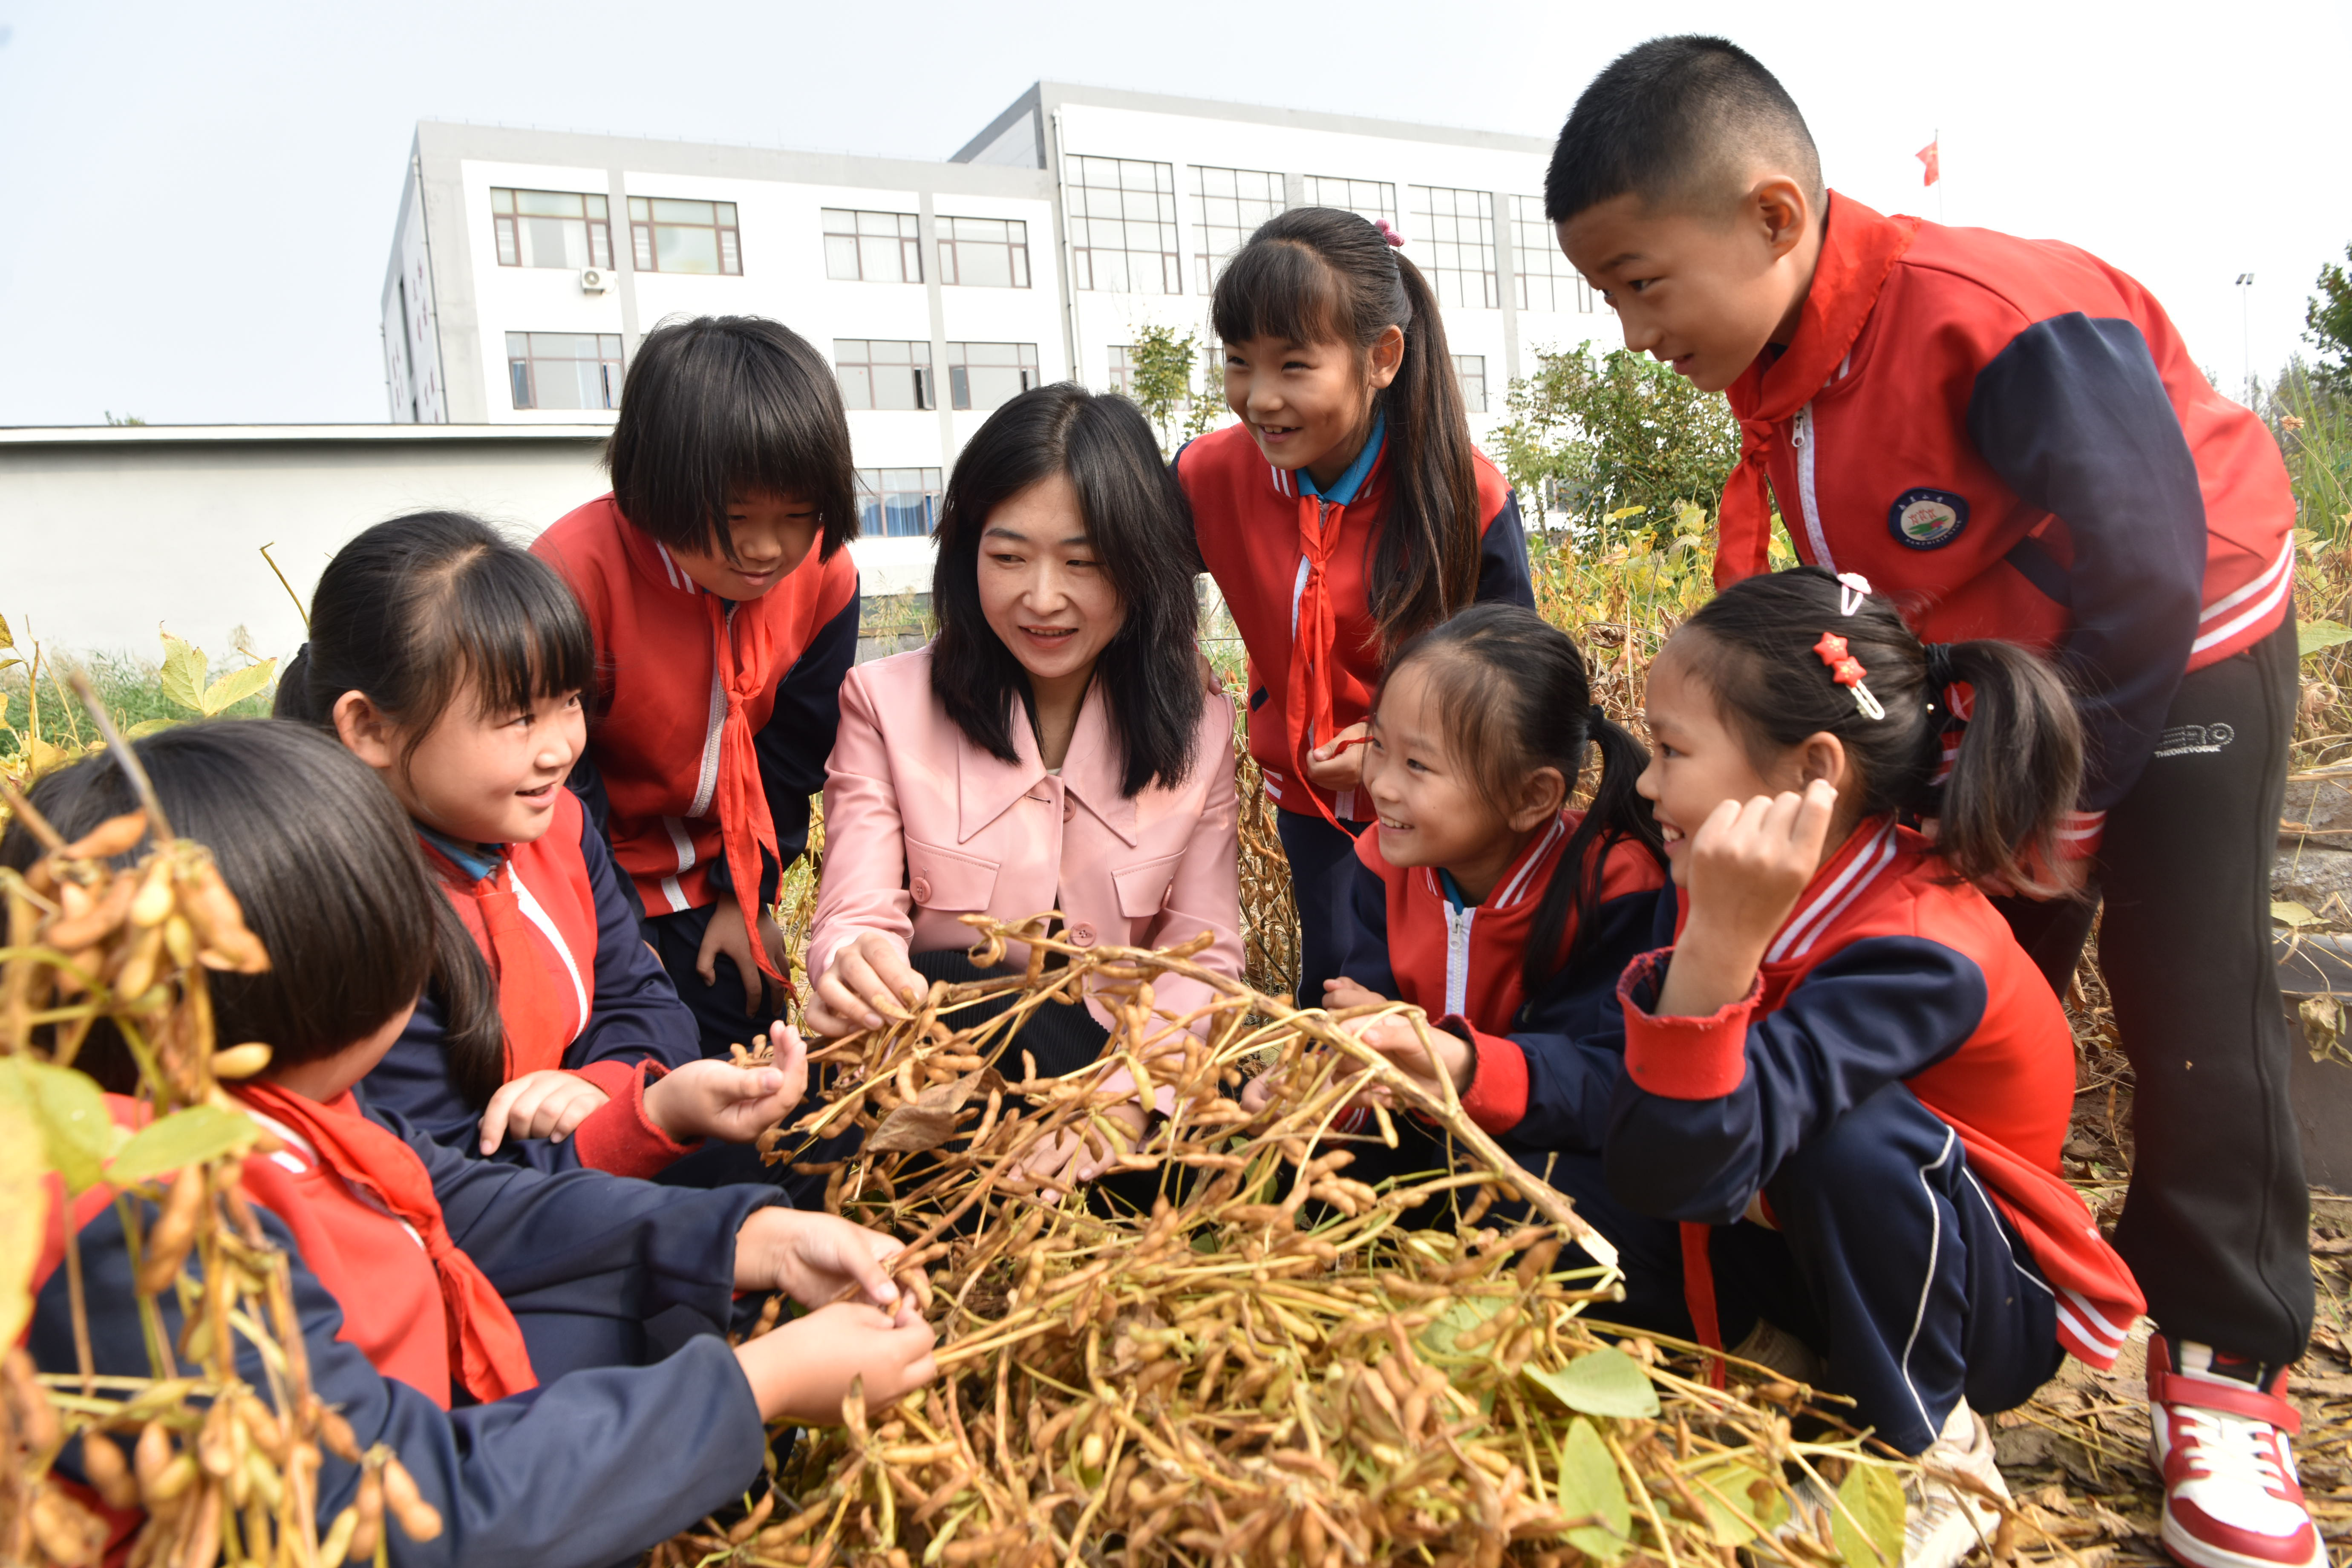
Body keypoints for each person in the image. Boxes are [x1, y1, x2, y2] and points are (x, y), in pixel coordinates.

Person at [1547, 38, 2309, 1568]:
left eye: (1643, 284)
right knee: (1960, 1002)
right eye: (1609, 301)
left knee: (2190, 1005)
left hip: (2184, 636)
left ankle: (2227, 1374)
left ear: (1774, 216)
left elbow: (2146, 563)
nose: (1634, 335)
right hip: (2003, 685)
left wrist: (2052, 812)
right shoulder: (1778, 390)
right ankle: (1951, 1311)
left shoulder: (1989, 316)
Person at [14, 721, 937, 1568]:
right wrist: (757, 1386)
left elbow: (456, 1196)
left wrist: (745, 1242)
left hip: (410, 1410)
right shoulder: (134, 1226)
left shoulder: (259, 1104)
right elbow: (402, 1512)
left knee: (673, 1296)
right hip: (402, 1500)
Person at [1564, 568, 2135, 1567]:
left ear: (1810, 771)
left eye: (1670, 750)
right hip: (1820, 1261)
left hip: (1987, 1304)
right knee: (1584, 1177)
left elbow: (1703, 1160)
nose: (1645, 783)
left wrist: (1711, 962)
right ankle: (1788, 1373)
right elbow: (1657, 1159)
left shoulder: (1919, 950)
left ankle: (1933, 1452)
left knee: (1847, 1138)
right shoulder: (1728, 881)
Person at [807, 384, 1241, 1181]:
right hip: (936, 1069)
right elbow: (856, 909)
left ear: (1143, 567)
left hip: (1128, 1082)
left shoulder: (1200, 724)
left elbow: (1201, 958)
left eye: (1084, 564)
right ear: (967, 551)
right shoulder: (884, 704)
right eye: (1008, 558)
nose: (1043, 599)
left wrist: (1122, 1101)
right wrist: (857, 963)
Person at [278, 512, 795, 1179]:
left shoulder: (561, 829)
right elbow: (440, 1180)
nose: (560, 751)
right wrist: (639, 1120)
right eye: (519, 719)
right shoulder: (345, 911)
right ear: (370, 727)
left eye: (572, 702)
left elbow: (646, 1002)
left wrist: (604, 1084)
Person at [1175, 207, 1535, 1008]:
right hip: (1312, 803)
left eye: (1295, 366)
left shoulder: (1464, 495)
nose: (1259, 398)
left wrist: (1396, 745)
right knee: (1336, 991)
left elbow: (1524, 684)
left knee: (1448, 1002)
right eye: (1239, 362)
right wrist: (1170, 646)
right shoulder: (1210, 477)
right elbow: (1132, 571)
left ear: (1382, 358)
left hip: (1446, 806)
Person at [1249, 605, 1667, 1197]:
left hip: (1543, 1155)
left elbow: (1596, 1084)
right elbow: (1370, 1027)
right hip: (1422, 1135)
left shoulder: (1614, 887)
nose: (1382, 784)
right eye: (1380, 746)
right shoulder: (1382, 868)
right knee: (1298, 1168)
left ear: (1532, 796)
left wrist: (1450, 1057)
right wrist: (1324, 1089)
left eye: (1418, 765)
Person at [533, 315, 861, 1057]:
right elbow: (559, 783)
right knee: (628, 1066)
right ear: (656, 485)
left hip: (718, 884)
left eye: (795, 516)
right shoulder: (571, 576)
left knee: (754, 1072)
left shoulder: (824, 575)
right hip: (592, 875)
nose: (764, 549)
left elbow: (790, 754)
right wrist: (616, 939)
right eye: (736, 517)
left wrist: (746, 899)